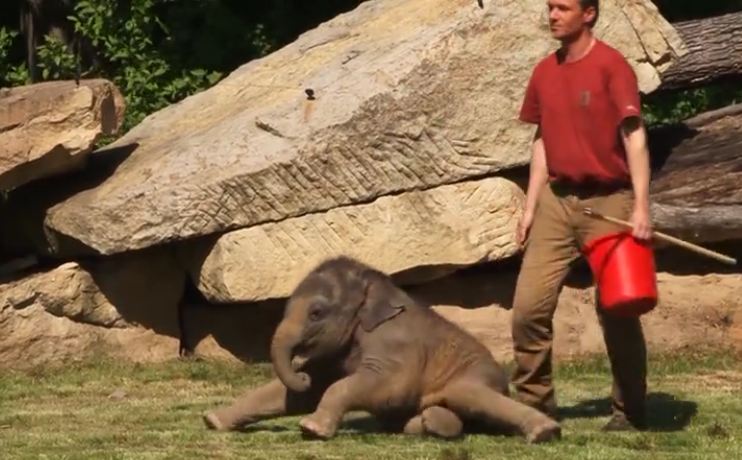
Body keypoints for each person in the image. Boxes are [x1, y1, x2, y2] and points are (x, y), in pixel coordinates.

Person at [511, 0, 652, 431]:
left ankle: (628, 411)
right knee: (527, 310)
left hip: (609, 201)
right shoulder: (543, 72)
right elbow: (541, 142)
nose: (552, 15)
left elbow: (635, 136)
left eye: (563, 8)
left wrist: (642, 205)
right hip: (557, 199)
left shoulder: (612, 66)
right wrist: (531, 206)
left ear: (588, 14)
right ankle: (537, 409)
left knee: (618, 311)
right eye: (550, 7)